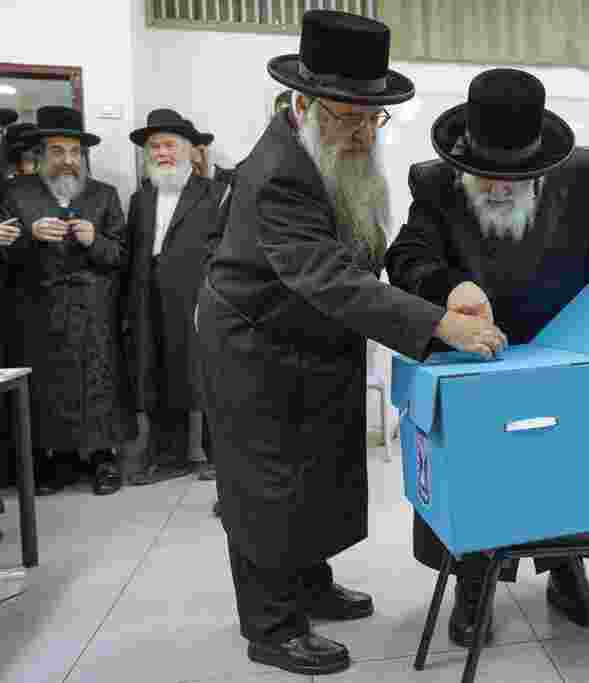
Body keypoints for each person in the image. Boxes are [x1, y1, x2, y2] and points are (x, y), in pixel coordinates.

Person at [196, 11, 507, 676]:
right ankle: (272, 624)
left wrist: (444, 292)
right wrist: (440, 326)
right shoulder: (277, 170)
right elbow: (331, 276)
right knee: (267, 485)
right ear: (303, 104)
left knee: (315, 472)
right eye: (348, 116)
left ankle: (307, 581)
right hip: (255, 350)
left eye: (375, 117)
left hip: (308, 341)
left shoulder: (334, 156)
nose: (365, 132)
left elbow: (367, 255)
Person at [386, 67, 589, 647]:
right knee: (477, 478)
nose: (495, 187)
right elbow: (405, 258)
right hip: (474, 360)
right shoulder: (435, 185)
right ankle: (474, 584)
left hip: (560, 352)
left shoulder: (583, 175)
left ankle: (568, 576)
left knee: (564, 471)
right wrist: (447, 285)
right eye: (483, 175)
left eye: (512, 178)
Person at [3, 106, 136, 496]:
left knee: (98, 387)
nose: (67, 161)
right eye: (58, 151)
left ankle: (102, 460)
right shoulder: (15, 194)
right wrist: (30, 236)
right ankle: (56, 462)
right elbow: (6, 254)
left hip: (94, 310)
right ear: (41, 155)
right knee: (50, 390)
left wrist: (95, 240)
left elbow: (121, 256)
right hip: (39, 309)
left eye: (74, 152)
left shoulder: (105, 195)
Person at [123, 109, 225, 486]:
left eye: (169, 145)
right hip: (149, 299)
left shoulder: (214, 194)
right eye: (155, 147)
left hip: (196, 297)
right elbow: (134, 250)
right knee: (158, 374)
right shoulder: (141, 198)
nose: (161, 153)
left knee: (204, 377)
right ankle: (171, 458)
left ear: (189, 151)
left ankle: (219, 457)